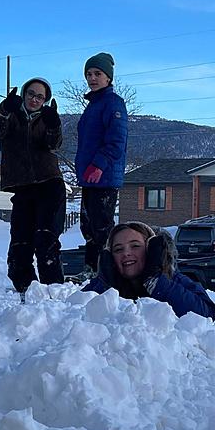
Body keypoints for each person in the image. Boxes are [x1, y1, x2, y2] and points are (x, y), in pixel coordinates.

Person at [0, 77, 65, 297]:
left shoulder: (47, 118)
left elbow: (54, 144)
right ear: (24, 94)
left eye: (40, 97)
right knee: (19, 246)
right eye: (31, 94)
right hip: (22, 188)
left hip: (49, 184)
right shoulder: (11, 115)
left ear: (45, 100)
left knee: (46, 240)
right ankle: (27, 294)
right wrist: (4, 108)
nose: (35, 99)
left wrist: (54, 124)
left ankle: (54, 294)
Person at [83, 221, 215, 320]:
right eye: (118, 249)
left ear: (151, 250)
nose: (126, 253)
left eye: (135, 246)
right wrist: (106, 286)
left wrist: (157, 283)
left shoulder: (174, 281)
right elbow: (74, 315)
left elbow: (206, 315)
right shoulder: (100, 285)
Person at [75, 52, 128, 274]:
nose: (92, 78)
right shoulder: (94, 105)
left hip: (103, 177)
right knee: (87, 227)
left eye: (98, 73)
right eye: (89, 74)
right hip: (89, 178)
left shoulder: (113, 103)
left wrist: (99, 165)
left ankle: (107, 274)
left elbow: (116, 141)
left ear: (108, 77)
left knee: (102, 229)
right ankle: (91, 270)